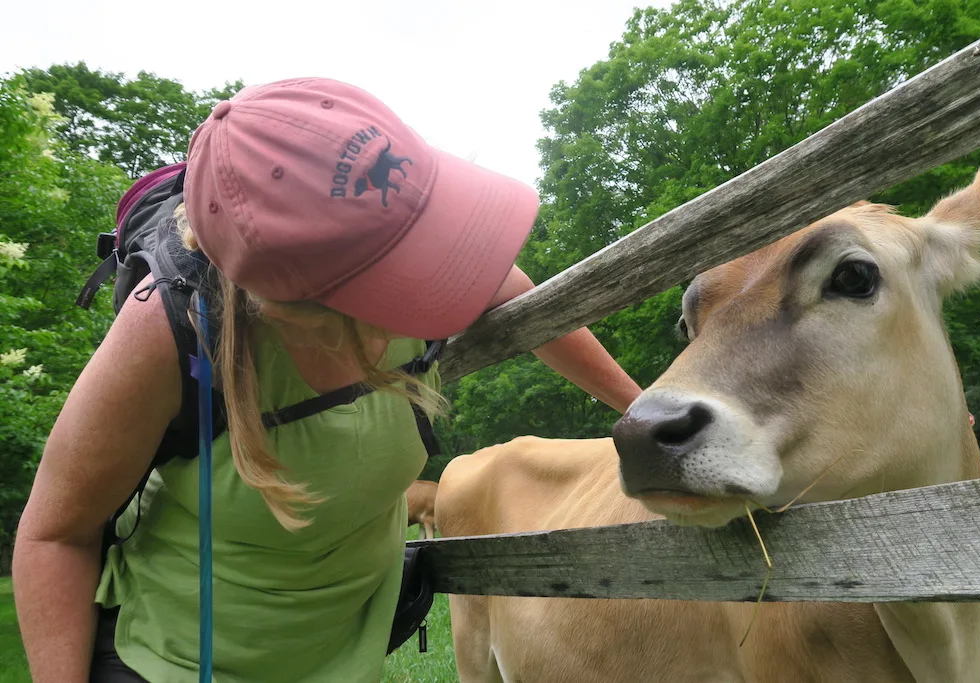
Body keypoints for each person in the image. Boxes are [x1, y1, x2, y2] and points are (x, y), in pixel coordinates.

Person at [12, 77, 643, 683]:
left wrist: (644, 414)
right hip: (178, 664)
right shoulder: (170, 331)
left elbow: (533, 310)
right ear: (293, 309)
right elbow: (54, 535)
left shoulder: (424, 254)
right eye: (400, 262)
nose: (439, 267)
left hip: (346, 662)